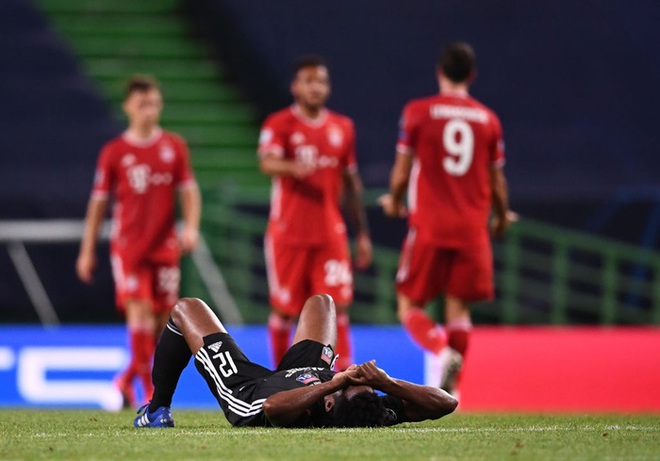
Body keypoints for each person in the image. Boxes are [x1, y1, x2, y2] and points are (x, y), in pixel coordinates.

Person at [379, 42, 516, 396]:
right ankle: (453, 390)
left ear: (439, 71)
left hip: (429, 225)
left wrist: (394, 202)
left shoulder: (418, 112)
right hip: (472, 229)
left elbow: (401, 172)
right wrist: (501, 216)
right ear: (471, 75)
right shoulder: (488, 119)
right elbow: (497, 181)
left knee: (407, 304)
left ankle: (442, 350)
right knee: (459, 307)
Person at [134, 293, 457, 428]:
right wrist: (387, 383)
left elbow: (273, 407)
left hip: (250, 392)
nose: (355, 376)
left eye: (352, 383)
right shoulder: (371, 410)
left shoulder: (312, 408)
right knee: (323, 302)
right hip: (305, 374)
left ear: (329, 404)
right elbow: (447, 403)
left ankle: (157, 410)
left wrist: (335, 380)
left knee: (186, 309)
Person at [76, 75, 202, 408]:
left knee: (161, 326)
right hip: (130, 249)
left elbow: (189, 193)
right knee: (140, 315)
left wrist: (190, 228)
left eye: (155, 104)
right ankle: (150, 393)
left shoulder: (174, 147)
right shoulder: (115, 152)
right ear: (128, 107)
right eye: (143, 104)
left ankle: (125, 380)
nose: (149, 110)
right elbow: (98, 203)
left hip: (165, 249)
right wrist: (87, 249)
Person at [257, 55, 372, 370]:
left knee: (338, 307)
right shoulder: (279, 124)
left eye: (321, 81)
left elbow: (351, 184)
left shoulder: (342, 128)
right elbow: (266, 162)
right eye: (309, 81)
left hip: (329, 233)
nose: (316, 87)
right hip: (288, 234)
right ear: (296, 86)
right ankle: (280, 378)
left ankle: (345, 378)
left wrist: (362, 233)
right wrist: (294, 166)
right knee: (285, 310)